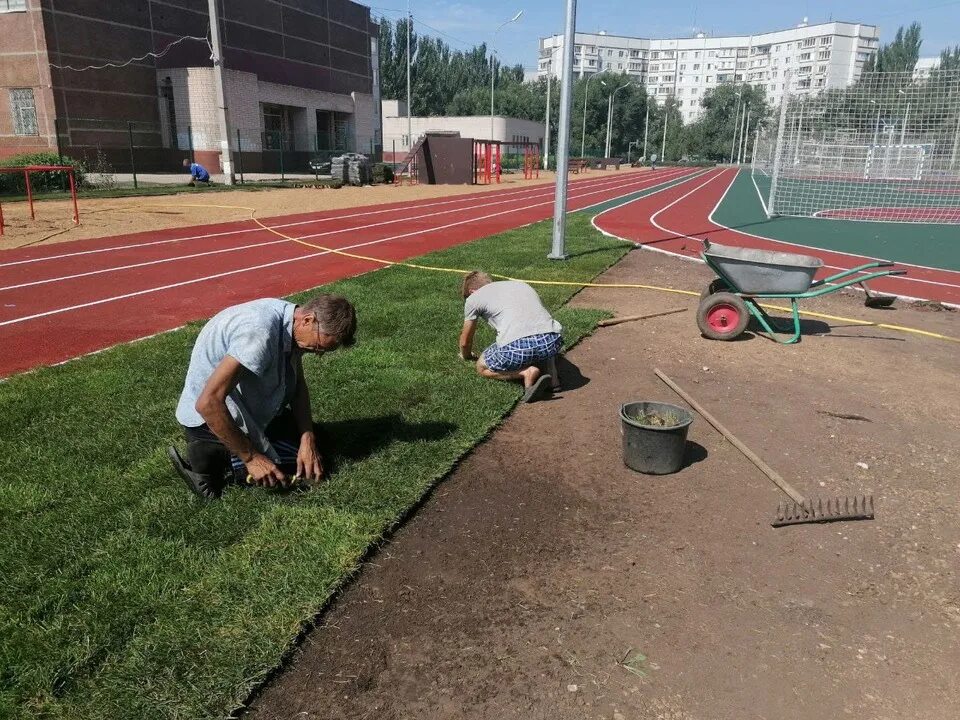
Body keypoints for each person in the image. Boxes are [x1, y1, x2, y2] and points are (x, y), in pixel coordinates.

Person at [168, 294, 357, 499]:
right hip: (210, 418)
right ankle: (211, 455)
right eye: (320, 347)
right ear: (308, 319)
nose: (318, 354)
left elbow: (298, 385)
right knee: (283, 469)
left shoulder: (291, 321)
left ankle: (231, 450)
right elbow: (208, 403)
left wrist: (307, 438)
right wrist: (251, 458)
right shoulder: (260, 333)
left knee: (319, 446)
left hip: (248, 407)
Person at [459, 271, 563, 403]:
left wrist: (466, 355)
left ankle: (526, 372)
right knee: (542, 331)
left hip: (517, 347)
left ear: (472, 291)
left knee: (481, 367)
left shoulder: (473, 299)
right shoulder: (521, 284)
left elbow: (465, 342)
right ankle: (554, 380)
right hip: (553, 340)